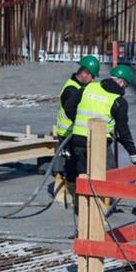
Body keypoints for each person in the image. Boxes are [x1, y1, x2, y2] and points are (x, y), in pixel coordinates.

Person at [65, 65, 136, 206]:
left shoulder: (89, 87)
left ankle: (81, 208)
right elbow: (123, 131)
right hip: (99, 144)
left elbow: (69, 107)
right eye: (125, 84)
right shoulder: (118, 101)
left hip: (78, 140)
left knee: (82, 175)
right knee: (107, 178)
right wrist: (133, 153)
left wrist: (79, 123)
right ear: (121, 82)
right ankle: (101, 213)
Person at [53, 56, 101, 192]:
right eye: (92, 76)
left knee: (74, 166)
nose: (93, 80)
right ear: (84, 73)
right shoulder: (72, 90)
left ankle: (72, 191)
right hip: (68, 133)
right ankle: (72, 193)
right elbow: (71, 111)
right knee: (73, 167)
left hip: (72, 132)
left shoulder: (76, 85)